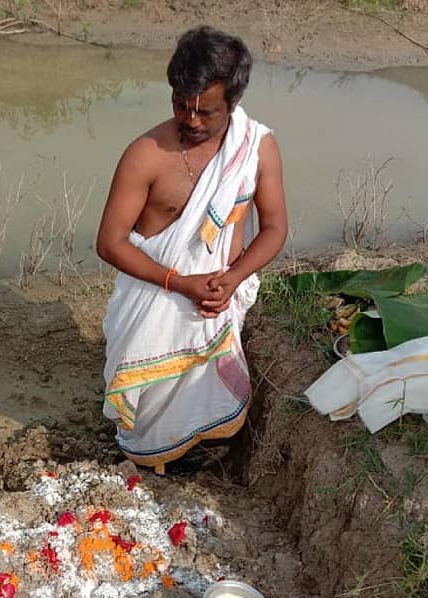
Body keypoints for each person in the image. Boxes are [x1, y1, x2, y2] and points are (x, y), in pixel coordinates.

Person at [96, 26, 288, 474]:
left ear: (233, 101)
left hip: (215, 298)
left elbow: (275, 228)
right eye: (181, 105)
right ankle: (151, 454)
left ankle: (205, 446)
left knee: (208, 394)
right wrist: (179, 283)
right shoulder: (145, 154)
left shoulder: (255, 148)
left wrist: (233, 278)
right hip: (154, 301)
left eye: (206, 111)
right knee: (146, 423)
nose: (192, 119)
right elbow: (109, 242)